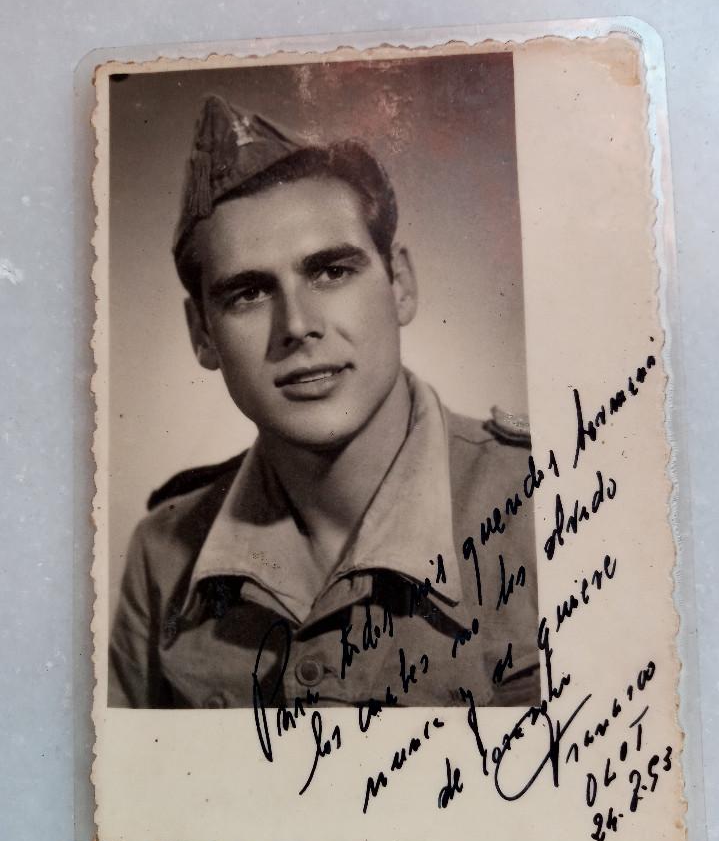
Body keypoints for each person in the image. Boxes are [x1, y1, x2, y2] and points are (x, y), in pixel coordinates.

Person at [108, 95, 540, 710]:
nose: (298, 325)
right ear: (203, 334)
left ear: (400, 286)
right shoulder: (161, 556)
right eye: (249, 293)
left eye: (331, 272)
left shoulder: (550, 498)